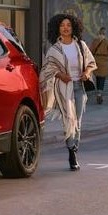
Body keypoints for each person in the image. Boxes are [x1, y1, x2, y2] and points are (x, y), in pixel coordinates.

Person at [39, 13, 96, 171]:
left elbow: (91, 63)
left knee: (77, 121)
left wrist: (87, 73)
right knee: (68, 119)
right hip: (63, 88)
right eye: (62, 25)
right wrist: (60, 75)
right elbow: (47, 69)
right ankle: (72, 153)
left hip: (79, 87)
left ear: (73, 28)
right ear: (57, 28)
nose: (65, 28)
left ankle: (74, 146)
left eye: (68, 25)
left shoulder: (81, 46)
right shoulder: (54, 49)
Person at [89, 27, 108, 104]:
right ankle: (100, 93)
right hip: (104, 61)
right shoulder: (107, 41)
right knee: (102, 78)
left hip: (96, 60)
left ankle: (98, 93)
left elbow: (91, 51)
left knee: (97, 77)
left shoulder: (95, 41)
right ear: (104, 33)